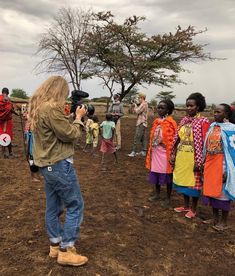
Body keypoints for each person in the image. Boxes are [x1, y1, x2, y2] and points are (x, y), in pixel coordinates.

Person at [28, 76, 88, 266]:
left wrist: (70, 118)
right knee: (75, 205)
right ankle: (66, 249)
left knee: (53, 207)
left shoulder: (38, 108)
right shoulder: (52, 108)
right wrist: (78, 118)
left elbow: (55, 131)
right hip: (59, 164)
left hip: (47, 165)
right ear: (59, 90)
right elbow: (70, 134)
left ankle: (55, 245)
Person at [171, 92, 210, 219]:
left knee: (194, 184)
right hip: (182, 156)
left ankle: (193, 209)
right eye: (187, 106)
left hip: (194, 157)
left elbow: (205, 142)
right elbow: (177, 139)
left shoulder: (203, 121)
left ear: (198, 107)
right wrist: (173, 153)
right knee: (183, 182)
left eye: (191, 106)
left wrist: (200, 161)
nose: (188, 108)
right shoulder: (184, 121)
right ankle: (186, 206)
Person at [202, 104, 235, 231]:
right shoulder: (212, 126)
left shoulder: (232, 129)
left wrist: (229, 171)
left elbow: (232, 152)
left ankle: (224, 221)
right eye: (214, 111)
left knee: (223, 194)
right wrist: (203, 162)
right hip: (210, 164)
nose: (215, 114)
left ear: (226, 114)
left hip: (224, 165)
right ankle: (215, 217)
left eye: (218, 112)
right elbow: (206, 146)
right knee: (212, 192)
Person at [146, 100, 177, 207]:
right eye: (158, 107)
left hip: (165, 153)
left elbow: (175, 139)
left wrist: (168, 146)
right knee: (155, 171)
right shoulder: (156, 121)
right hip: (155, 152)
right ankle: (157, 194)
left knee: (168, 174)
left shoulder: (171, 123)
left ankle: (168, 198)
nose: (159, 109)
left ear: (168, 110)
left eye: (162, 108)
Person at [128, 93, 148, 157]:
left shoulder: (143, 104)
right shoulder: (144, 104)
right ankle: (144, 151)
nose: (138, 99)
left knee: (136, 137)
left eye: (139, 98)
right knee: (143, 138)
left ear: (142, 98)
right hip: (143, 122)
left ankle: (133, 151)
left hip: (141, 122)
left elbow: (137, 111)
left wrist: (135, 105)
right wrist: (135, 105)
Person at [0, 87, 18, 158]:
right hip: (7, 121)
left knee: (2, 136)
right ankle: (10, 153)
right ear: (8, 93)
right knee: (7, 136)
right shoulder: (8, 100)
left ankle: (3, 153)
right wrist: (16, 113)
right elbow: (10, 109)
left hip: (0, 121)